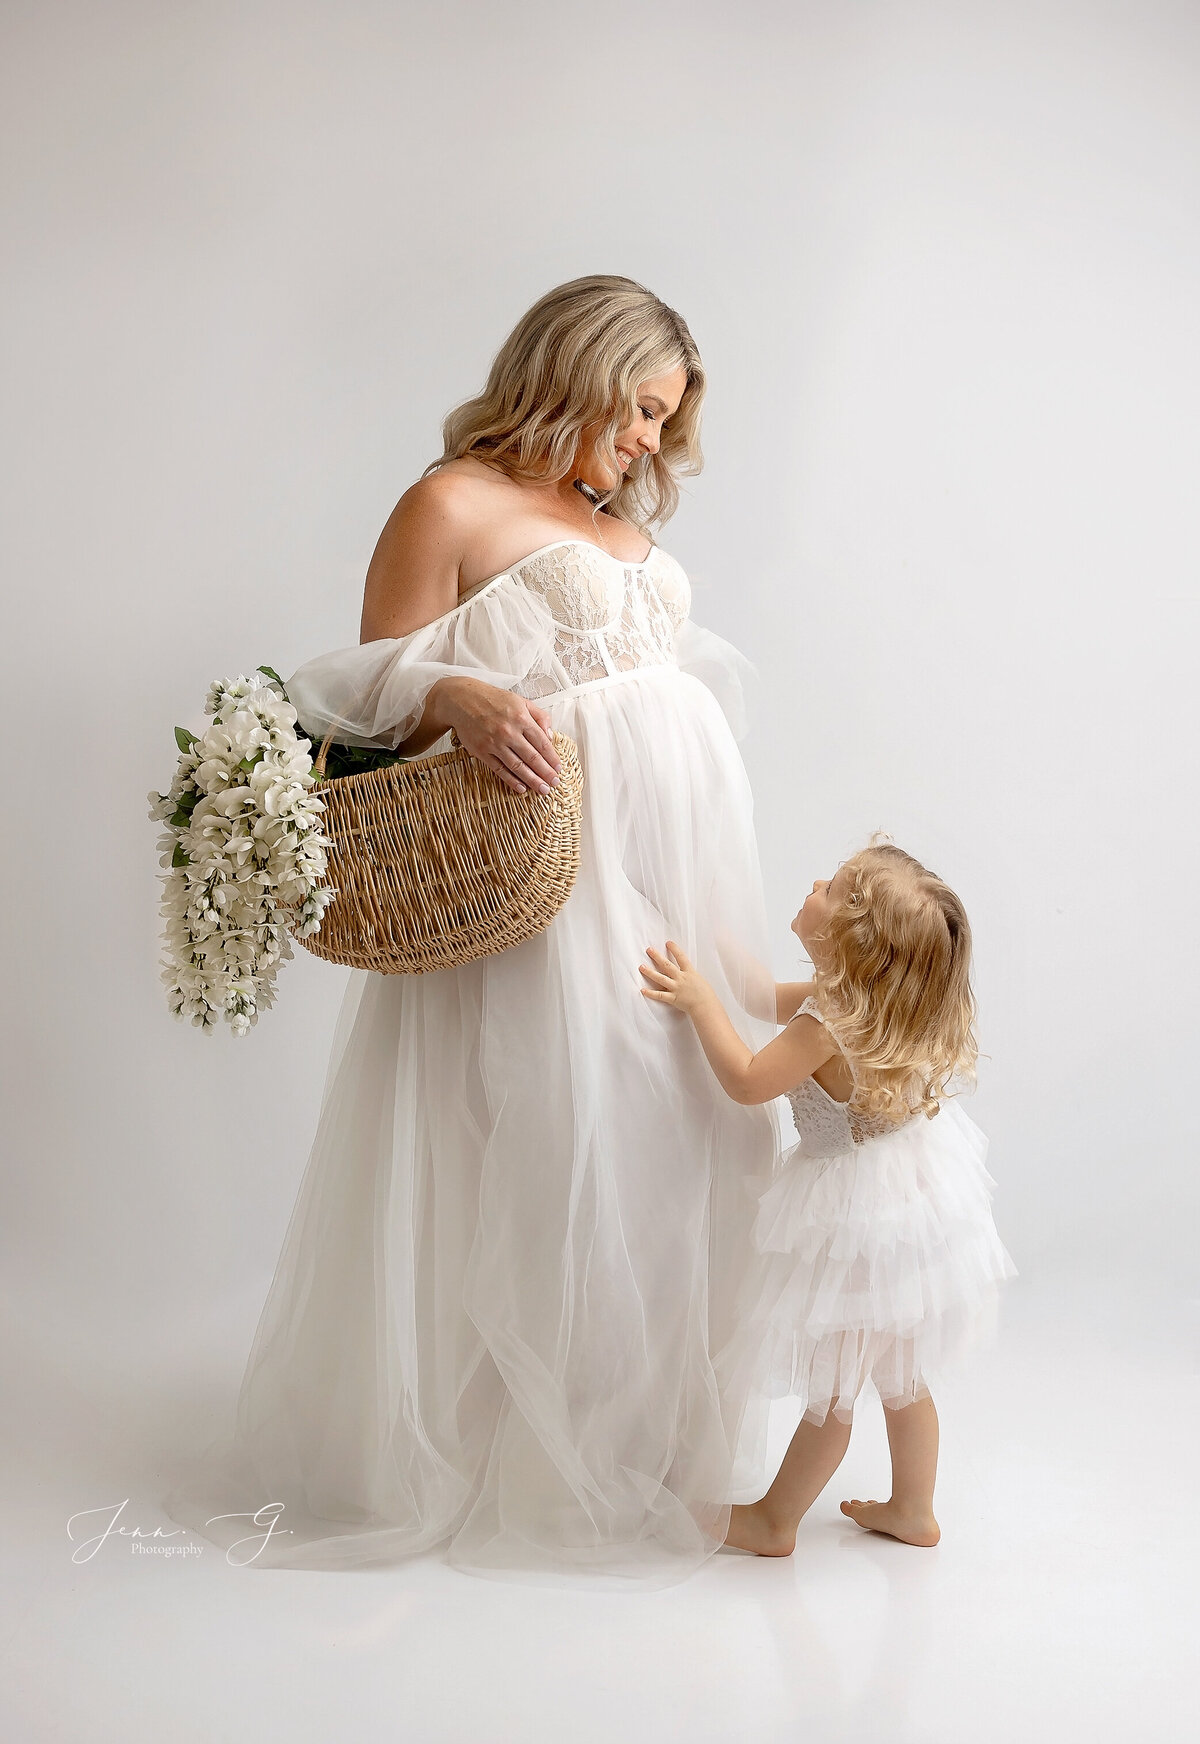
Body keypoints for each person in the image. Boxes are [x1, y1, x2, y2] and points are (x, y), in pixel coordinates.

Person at [165, 275, 780, 1589]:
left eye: (668, 427)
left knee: (681, 1127)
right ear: (578, 370)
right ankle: (515, 1448)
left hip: (662, 875)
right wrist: (456, 691)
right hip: (535, 884)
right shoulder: (447, 502)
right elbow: (355, 691)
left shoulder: (613, 521)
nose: (651, 448)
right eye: (641, 412)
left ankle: (644, 1441)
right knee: (559, 1127)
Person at [639, 842, 1016, 1557]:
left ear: (850, 940)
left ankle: (776, 1520)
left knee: (835, 1390)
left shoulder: (825, 1026)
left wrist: (697, 1004)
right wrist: (707, 923)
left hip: (860, 1219)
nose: (814, 883)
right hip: (909, 1198)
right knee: (902, 1378)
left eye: (833, 889)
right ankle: (913, 1509)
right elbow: (755, 995)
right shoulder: (863, 1004)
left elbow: (749, 1079)